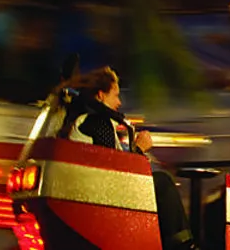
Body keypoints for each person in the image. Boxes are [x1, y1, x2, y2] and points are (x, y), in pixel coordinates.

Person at [58, 67, 196, 250]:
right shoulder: (98, 122)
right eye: (115, 95)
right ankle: (183, 245)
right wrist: (139, 149)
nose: (120, 102)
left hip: (93, 194)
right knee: (162, 183)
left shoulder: (86, 122)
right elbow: (115, 174)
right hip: (99, 200)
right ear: (100, 96)